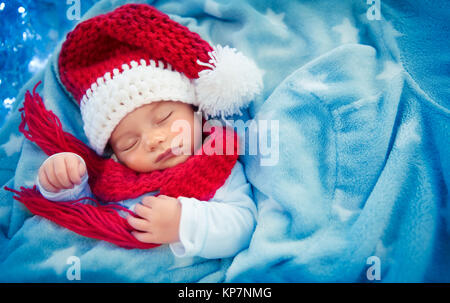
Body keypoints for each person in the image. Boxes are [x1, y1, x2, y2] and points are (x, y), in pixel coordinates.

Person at [30, 3, 264, 259]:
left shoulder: (218, 162)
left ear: (196, 111)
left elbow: (244, 225)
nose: (154, 140)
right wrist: (66, 184)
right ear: (115, 155)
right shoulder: (112, 180)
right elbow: (86, 216)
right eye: (129, 143)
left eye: (164, 119)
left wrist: (184, 223)